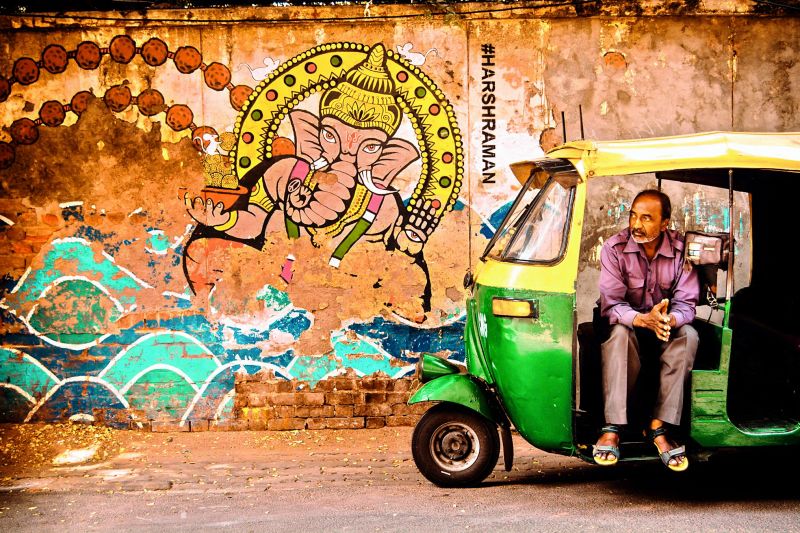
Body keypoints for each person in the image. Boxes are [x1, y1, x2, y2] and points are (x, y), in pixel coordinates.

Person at [592, 189, 699, 472]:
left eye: (646, 218)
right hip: (630, 324)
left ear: (665, 224)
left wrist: (668, 321)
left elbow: (687, 304)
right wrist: (643, 320)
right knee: (618, 336)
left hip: (663, 326)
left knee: (689, 335)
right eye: (633, 216)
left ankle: (657, 426)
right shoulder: (614, 249)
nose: (636, 224)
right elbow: (612, 305)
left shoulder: (681, 251)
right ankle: (612, 427)